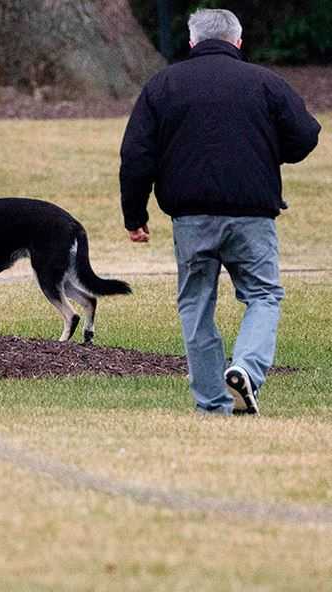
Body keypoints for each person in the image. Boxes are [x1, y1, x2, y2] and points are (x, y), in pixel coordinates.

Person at [119, 8, 320, 415]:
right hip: (252, 214)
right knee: (263, 294)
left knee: (196, 302)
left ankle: (212, 404)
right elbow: (305, 135)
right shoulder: (265, 82)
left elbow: (137, 155)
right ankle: (246, 367)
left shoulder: (164, 85)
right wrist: (265, 151)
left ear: (191, 42)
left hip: (191, 217)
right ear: (238, 42)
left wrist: (134, 215)